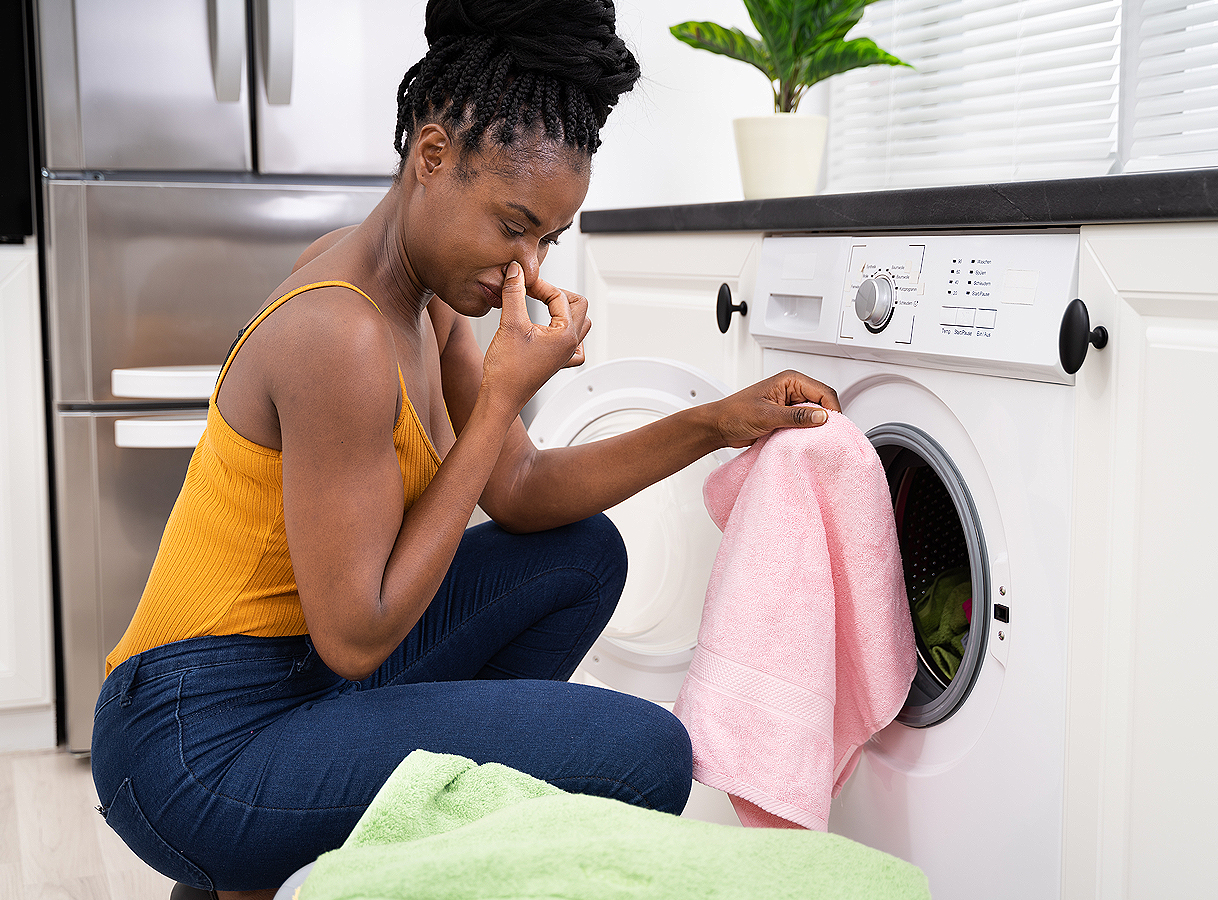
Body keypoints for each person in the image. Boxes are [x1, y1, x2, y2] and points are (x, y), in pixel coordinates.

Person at [90, 1, 841, 897]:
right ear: (432, 155)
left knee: (579, 555)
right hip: (194, 741)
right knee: (648, 755)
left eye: (547, 239)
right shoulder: (341, 333)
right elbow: (357, 637)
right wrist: (499, 400)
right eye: (512, 224)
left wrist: (719, 420)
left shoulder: (427, 295)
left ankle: (347, 830)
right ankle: (273, 847)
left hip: (289, 685)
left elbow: (519, 489)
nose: (525, 267)